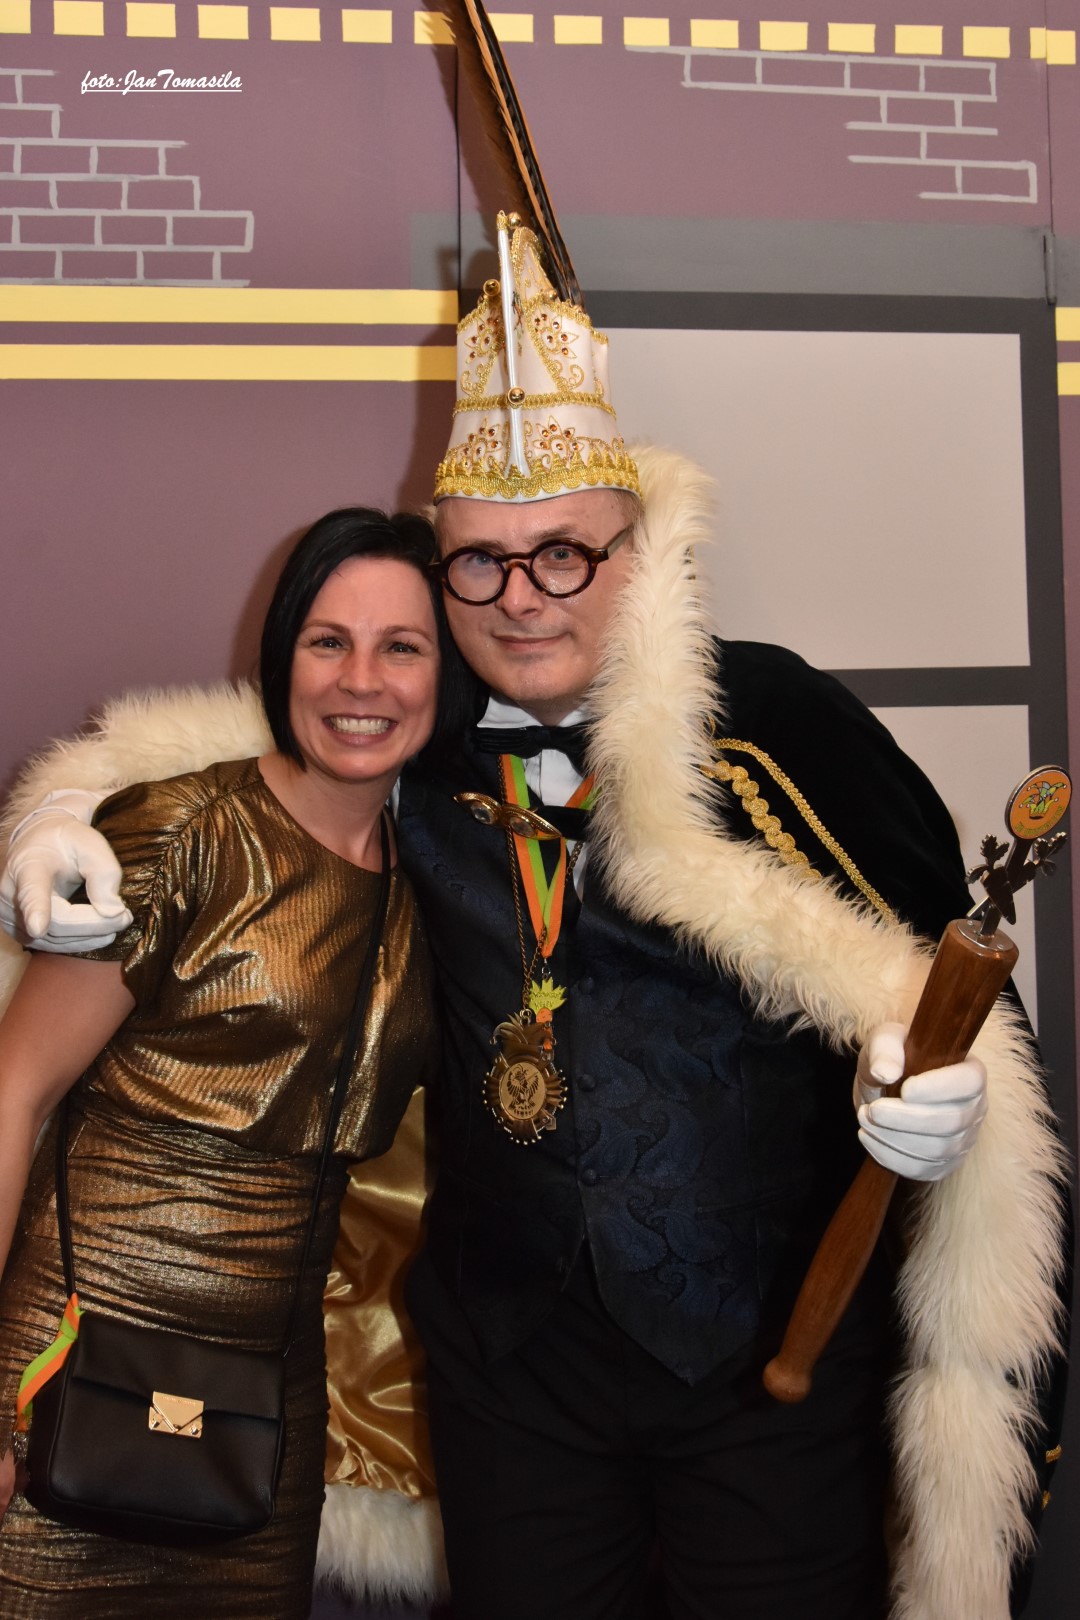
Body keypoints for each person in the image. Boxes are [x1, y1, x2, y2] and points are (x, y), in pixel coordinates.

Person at [0, 218, 1068, 1620]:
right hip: (512, 1377)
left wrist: (934, 1097)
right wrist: (66, 809)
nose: (520, 600)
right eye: (481, 564)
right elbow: (237, 764)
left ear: (638, 550)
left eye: (562, 554)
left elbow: (937, 987)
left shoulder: (780, 723)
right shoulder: (413, 725)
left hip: (767, 1365)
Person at [0, 507, 454, 1617]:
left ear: (446, 674)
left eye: (402, 646)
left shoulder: (440, 882)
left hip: (259, 1416)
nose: (363, 681)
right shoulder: (184, 831)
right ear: (282, 651)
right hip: (68, 1370)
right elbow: (15, 1089)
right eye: (328, 641)